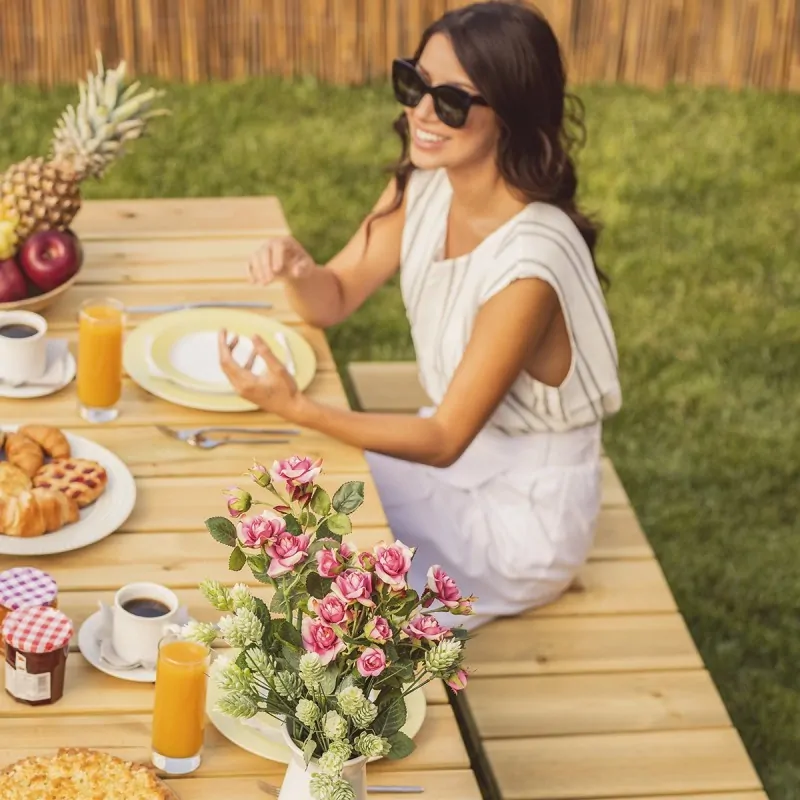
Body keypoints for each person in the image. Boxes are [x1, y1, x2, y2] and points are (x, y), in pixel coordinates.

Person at [218, 0, 622, 631]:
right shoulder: (428, 181)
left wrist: (297, 407)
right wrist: (300, 268)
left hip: (516, 518)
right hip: (453, 462)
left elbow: (443, 441)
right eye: (414, 83)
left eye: (453, 101)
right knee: (273, 504)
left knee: (313, 592)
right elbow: (335, 298)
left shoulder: (529, 266)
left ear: (511, 112)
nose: (423, 112)